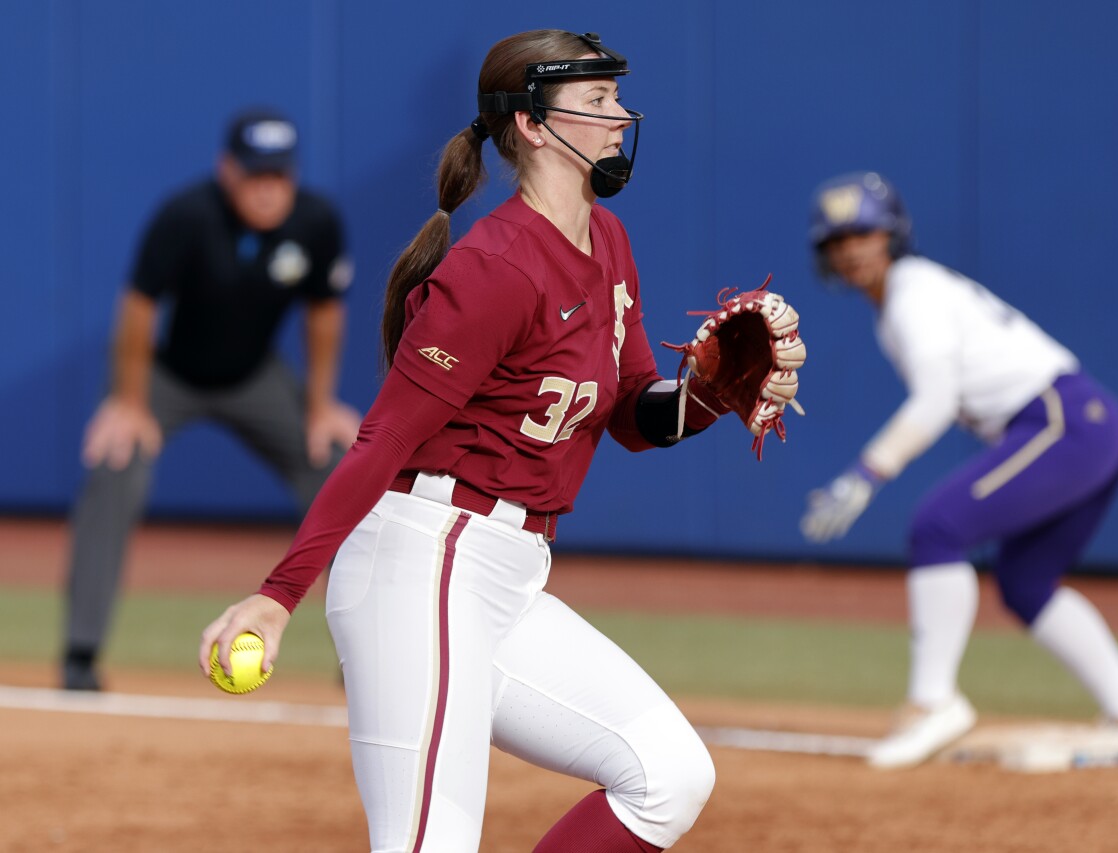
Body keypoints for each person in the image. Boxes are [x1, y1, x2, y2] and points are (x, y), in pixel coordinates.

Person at [197, 30, 767, 852]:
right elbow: (383, 441)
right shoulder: (495, 267)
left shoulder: (608, 243)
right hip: (423, 565)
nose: (621, 117)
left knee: (669, 772)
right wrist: (279, 594)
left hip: (508, 579)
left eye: (616, 98)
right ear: (534, 125)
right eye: (598, 101)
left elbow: (638, 416)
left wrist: (713, 395)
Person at [799, 171, 1118, 769]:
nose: (851, 250)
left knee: (938, 527)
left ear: (891, 234)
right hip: (1082, 422)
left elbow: (936, 401)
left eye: (863, 233)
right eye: (837, 241)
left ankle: (932, 701)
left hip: (1061, 419)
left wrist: (868, 473)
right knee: (1026, 582)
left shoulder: (912, 293)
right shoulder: (901, 301)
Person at [62, 107, 361, 691]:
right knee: (114, 462)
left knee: (339, 473)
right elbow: (138, 309)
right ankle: (80, 654)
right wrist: (128, 400)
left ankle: (359, 659)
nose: (268, 189)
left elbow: (324, 314)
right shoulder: (186, 216)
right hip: (168, 376)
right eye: (255, 175)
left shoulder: (316, 222)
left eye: (278, 175)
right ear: (228, 171)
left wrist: (320, 405)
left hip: (256, 378)